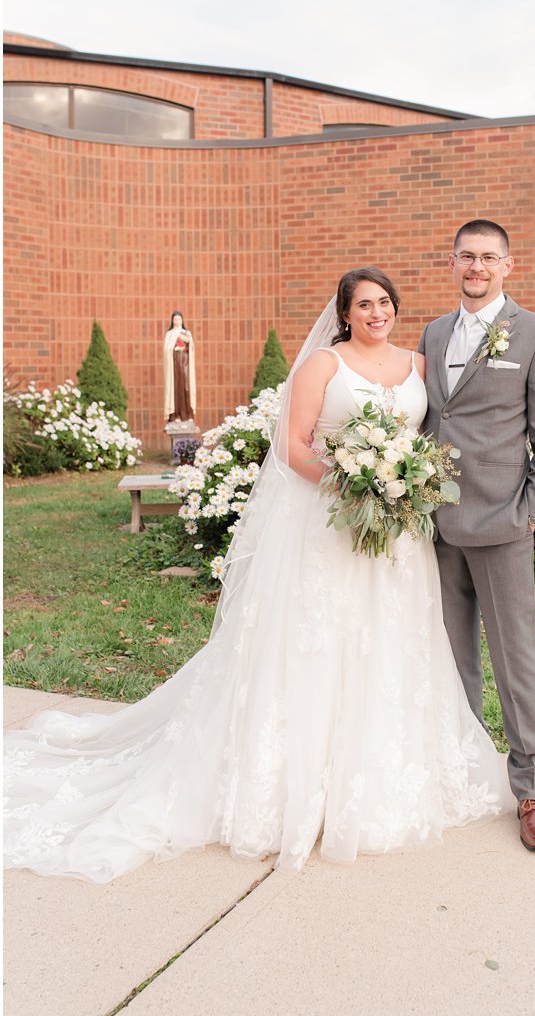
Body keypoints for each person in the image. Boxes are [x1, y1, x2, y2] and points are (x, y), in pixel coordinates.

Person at [3, 268, 508, 883]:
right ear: (344, 314)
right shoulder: (324, 365)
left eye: (384, 303)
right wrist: (354, 482)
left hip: (397, 537)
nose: (376, 313)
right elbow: (294, 446)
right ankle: (292, 785)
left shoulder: (420, 366)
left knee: (389, 645)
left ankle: (376, 779)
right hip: (330, 526)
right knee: (315, 648)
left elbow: (431, 437)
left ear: (396, 310)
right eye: (363, 305)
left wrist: (403, 486)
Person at [418, 221, 535, 852]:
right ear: (452, 263)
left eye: (488, 258)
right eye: (466, 257)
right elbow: (433, 415)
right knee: (452, 660)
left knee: (514, 660)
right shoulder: (432, 333)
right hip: (435, 521)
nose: (475, 268)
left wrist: (532, 508)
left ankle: (531, 791)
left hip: (503, 520)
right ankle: (465, 773)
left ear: (508, 266)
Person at [162, 311, 196, 425]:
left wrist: (185, 342)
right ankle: (175, 414)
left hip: (185, 362)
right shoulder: (170, 334)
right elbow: (167, 349)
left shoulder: (186, 333)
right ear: (172, 321)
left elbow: (191, 346)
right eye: (175, 319)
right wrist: (174, 349)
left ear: (182, 320)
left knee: (186, 387)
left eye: (179, 319)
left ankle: (187, 414)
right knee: (175, 389)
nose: (177, 321)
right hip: (175, 364)